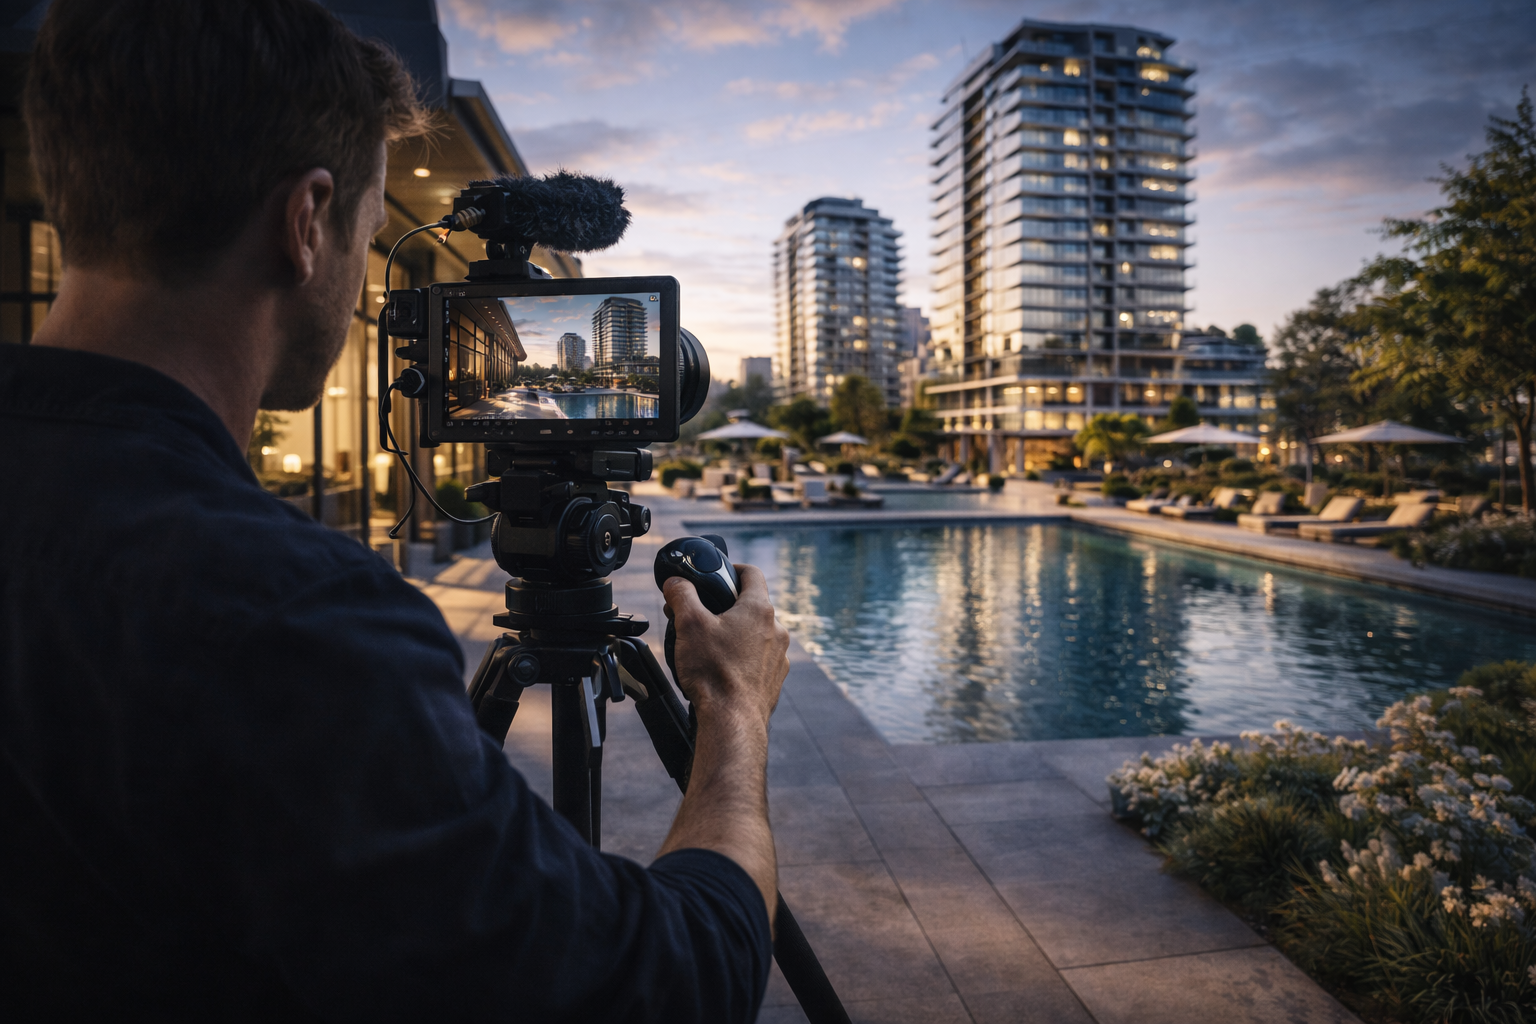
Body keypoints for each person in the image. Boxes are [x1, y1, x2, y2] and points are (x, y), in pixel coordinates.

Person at [0, 1, 790, 1019]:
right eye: (374, 227)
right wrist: (732, 709)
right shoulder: (297, 622)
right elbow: (664, 983)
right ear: (307, 222)